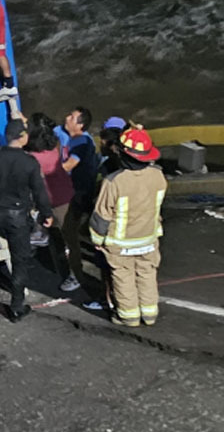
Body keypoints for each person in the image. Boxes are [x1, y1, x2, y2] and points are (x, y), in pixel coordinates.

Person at [0, 118, 54, 322]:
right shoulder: (29, 162)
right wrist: (46, 214)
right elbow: (40, 193)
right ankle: (15, 307)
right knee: (20, 261)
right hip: (16, 218)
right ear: (22, 138)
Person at [90, 127, 167, 327]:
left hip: (120, 243)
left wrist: (98, 240)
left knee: (123, 278)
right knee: (147, 274)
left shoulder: (114, 181)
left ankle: (129, 317)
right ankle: (150, 314)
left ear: (123, 155)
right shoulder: (158, 176)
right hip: (149, 238)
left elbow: (101, 215)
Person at [24, 112, 74, 268]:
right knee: (69, 237)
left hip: (53, 201)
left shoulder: (32, 158)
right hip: (66, 194)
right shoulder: (55, 145)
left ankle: (71, 273)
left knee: (62, 239)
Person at [57, 106, 98, 293]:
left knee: (70, 233)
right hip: (71, 191)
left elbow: (68, 166)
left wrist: (44, 172)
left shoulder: (82, 142)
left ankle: (76, 275)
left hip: (79, 194)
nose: (67, 117)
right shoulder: (62, 132)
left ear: (80, 124)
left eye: (71, 117)